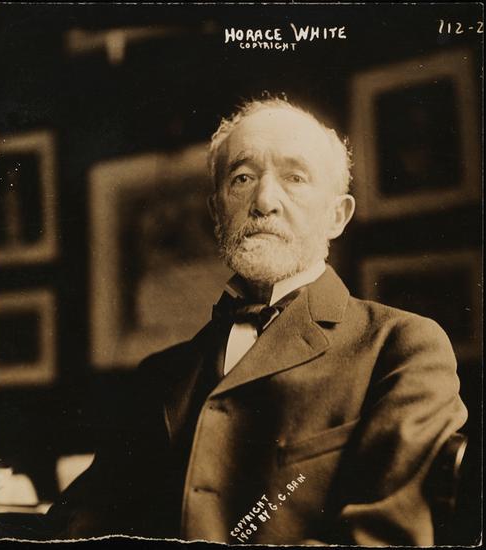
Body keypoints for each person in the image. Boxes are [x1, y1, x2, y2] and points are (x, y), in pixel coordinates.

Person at [46, 97, 467, 545]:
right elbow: (75, 529)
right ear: (216, 212)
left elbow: (383, 539)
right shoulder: (159, 376)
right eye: (242, 178)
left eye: (295, 178)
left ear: (337, 216)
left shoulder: (400, 346)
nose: (264, 200)